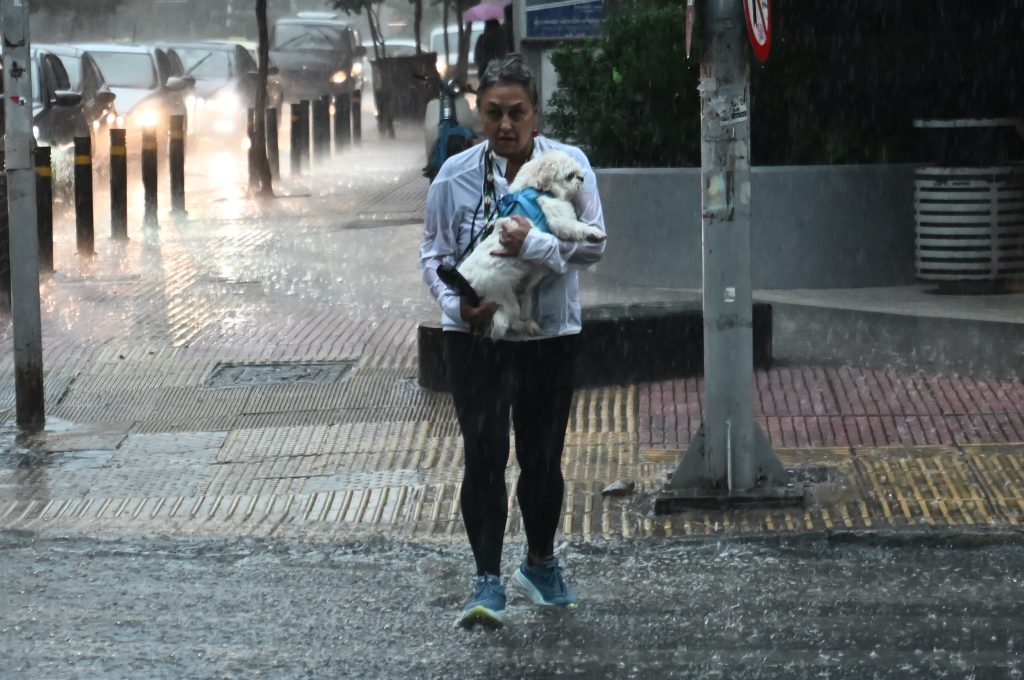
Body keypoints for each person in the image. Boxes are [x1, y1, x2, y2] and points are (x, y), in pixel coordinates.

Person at [419, 54, 606, 629]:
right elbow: (433, 255)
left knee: (542, 458)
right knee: (484, 456)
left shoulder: (569, 166)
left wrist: (535, 247)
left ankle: (541, 564)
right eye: (494, 112)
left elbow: (595, 245)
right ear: (479, 114)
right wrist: (458, 305)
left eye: (517, 113)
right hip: (476, 337)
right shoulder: (454, 175)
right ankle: (486, 579)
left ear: (535, 114)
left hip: (549, 334)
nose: (505, 125)